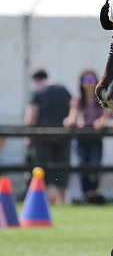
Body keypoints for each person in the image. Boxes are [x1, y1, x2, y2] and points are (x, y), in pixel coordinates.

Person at [63, 69, 113, 203]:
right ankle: (85, 195)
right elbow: (72, 115)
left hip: (95, 137)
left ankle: (93, 193)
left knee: (94, 165)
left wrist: (104, 120)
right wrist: (70, 120)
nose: (89, 83)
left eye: (92, 80)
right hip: (82, 136)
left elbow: (109, 113)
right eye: (86, 80)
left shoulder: (102, 97)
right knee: (83, 165)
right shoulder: (78, 99)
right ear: (81, 83)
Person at [24, 68, 72, 204]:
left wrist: (28, 136)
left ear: (36, 80)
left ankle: (50, 200)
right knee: (62, 167)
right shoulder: (63, 89)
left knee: (44, 169)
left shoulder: (37, 91)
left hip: (43, 135)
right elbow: (73, 109)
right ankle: (62, 200)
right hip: (63, 135)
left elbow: (31, 116)